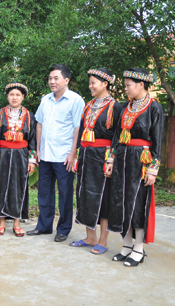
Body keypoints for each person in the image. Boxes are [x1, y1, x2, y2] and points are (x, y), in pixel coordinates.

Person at [106, 68, 164, 267]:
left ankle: (139, 247)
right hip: (122, 159)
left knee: (138, 202)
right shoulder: (125, 106)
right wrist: (111, 159)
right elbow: (116, 136)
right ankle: (126, 244)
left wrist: (153, 168)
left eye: (129, 85)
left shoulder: (154, 107)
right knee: (121, 200)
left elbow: (158, 140)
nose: (126, 88)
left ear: (141, 85)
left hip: (141, 161)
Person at [27, 64, 85, 242]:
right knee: (44, 193)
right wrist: (37, 149)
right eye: (50, 78)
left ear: (66, 80)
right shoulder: (45, 100)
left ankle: (63, 229)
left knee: (65, 194)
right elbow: (39, 124)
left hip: (64, 156)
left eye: (56, 78)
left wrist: (72, 153)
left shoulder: (76, 100)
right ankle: (44, 226)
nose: (52, 81)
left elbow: (78, 127)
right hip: (45, 154)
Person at [70, 68, 123, 254]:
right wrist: (77, 155)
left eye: (93, 83)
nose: (90, 86)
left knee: (103, 197)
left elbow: (117, 137)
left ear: (105, 84)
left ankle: (103, 240)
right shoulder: (89, 104)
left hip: (102, 156)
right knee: (84, 194)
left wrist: (111, 160)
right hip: (86, 154)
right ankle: (90, 236)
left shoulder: (116, 107)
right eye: (90, 82)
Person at [0, 83, 37, 237]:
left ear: (23, 97)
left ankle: (17, 223)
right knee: (1, 186)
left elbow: (32, 140)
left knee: (19, 187)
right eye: (11, 94)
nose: (14, 97)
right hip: (2, 155)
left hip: (21, 155)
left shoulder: (30, 116)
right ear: (7, 96)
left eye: (18, 95)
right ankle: (2, 222)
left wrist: (31, 161)